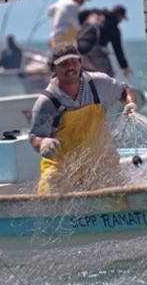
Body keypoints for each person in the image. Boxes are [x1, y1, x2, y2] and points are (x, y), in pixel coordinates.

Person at [29, 42, 137, 194]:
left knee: (118, 199)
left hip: (100, 164)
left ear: (80, 63)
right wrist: (42, 143)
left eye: (74, 62)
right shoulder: (47, 101)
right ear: (53, 68)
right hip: (63, 169)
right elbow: (35, 137)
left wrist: (131, 103)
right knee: (49, 196)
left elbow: (124, 90)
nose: (70, 67)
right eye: (64, 64)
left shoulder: (98, 83)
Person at [76, 4, 132, 78]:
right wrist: (124, 67)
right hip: (91, 51)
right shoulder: (114, 28)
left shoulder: (94, 12)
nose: (121, 21)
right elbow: (118, 49)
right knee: (109, 74)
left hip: (77, 44)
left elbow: (79, 16)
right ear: (119, 15)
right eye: (121, 18)